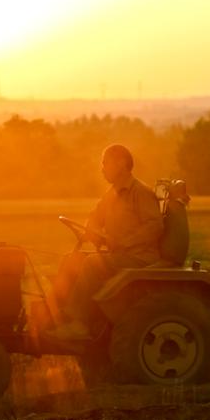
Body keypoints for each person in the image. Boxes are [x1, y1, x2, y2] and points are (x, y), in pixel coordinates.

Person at [46, 144, 163, 340]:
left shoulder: (140, 192)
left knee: (92, 264)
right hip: (120, 255)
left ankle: (80, 323)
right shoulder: (113, 193)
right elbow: (95, 216)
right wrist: (91, 231)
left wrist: (125, 242)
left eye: (105, 163)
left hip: (139, 258)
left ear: (122, 164)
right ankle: (56, 314)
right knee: (72, 259)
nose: (102, 168)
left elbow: (155, 226)